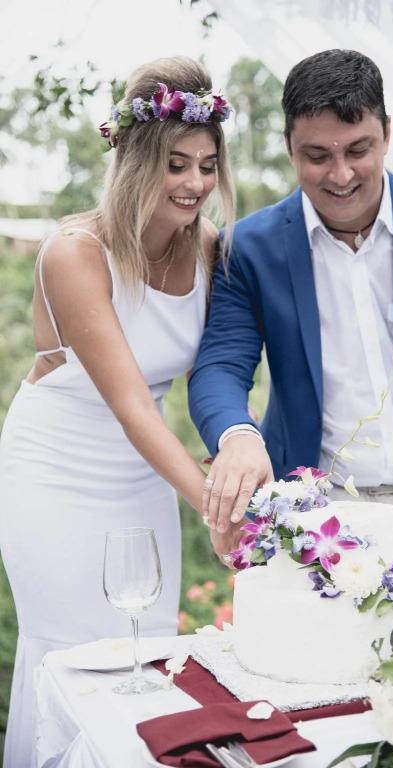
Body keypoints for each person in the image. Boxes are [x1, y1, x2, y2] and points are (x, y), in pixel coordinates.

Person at [189, 49, 393, 600]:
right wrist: (237, 436)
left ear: (386, 133)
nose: (340, 175)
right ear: (289, 146)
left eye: (358, 150)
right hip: (318, 523)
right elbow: (219, 365)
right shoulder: (249, 247)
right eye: (317, 155)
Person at [0, 56, 235, 768]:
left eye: (207, 166)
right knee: (71, 656)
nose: (194, 183)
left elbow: (212, 375)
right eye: (175, 165)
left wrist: (234, 455)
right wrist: (215, 505)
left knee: (144, 651)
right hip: (58, 471)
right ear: (134, 161)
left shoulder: (210, 249)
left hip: (142, 476)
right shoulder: (75, 253)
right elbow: (131, 404)